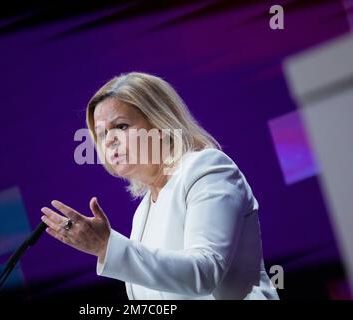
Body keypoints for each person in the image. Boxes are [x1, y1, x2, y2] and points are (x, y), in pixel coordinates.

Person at [40, 72, 279, 300]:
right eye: (101, 134)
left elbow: (204, 273)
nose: (110, 140)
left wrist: (106, 247)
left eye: (121, 126)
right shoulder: (143, 213)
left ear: (160, 124)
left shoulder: (207, 169)